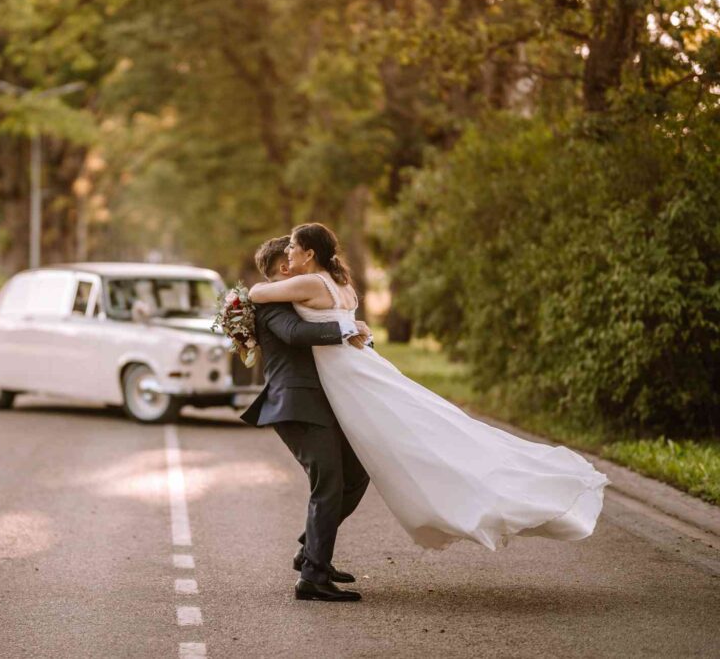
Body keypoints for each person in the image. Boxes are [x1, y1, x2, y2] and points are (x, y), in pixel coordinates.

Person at [249, 223, 610, 552]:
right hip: (360, 367)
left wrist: (249, 300)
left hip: (347, 375)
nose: (290, 255)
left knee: (397, 447)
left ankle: (315, 550)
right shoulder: (344, 285)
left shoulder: (311, 283)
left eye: (294, 248)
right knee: (414, 436)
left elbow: (256, 294)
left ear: (309, 253)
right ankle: (316, 549)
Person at [241, 236, 373, 602]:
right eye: (290, 255)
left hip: (322, 402)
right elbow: (295, 335)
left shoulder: (297, 297)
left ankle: (311, 552)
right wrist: (345, 330)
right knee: (328, 483)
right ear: (284, 269)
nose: (294, 259)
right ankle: (312, 578)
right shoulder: (273, 304)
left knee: (356, 472)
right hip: (296, 403)